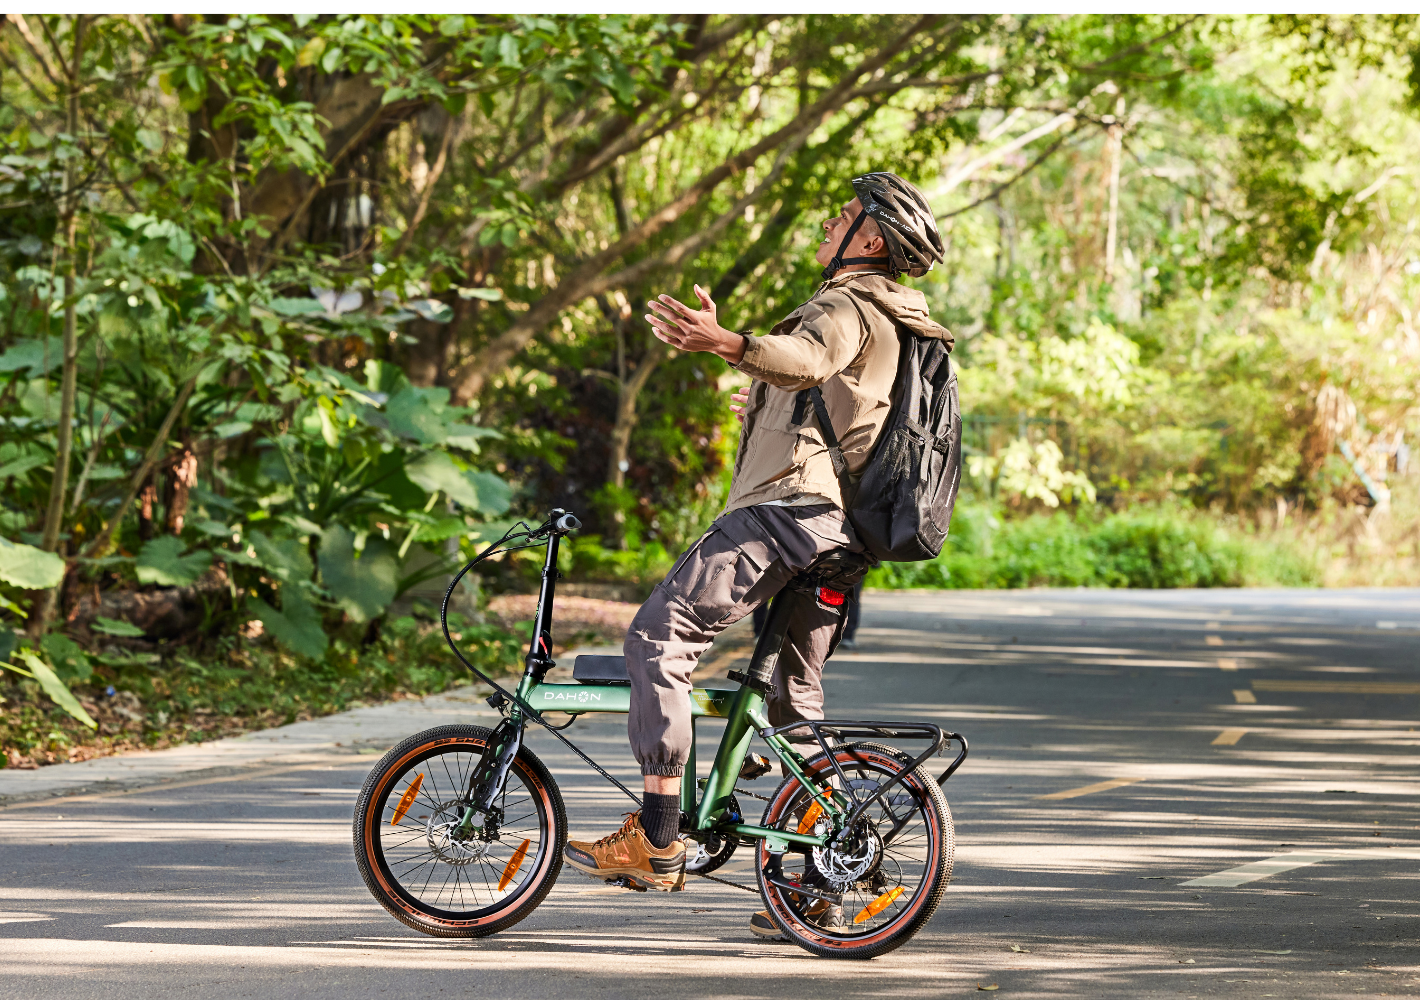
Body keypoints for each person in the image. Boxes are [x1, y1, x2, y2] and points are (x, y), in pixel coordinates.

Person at [561, 173, 951, 934]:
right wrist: (762, 392)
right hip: (839, 537)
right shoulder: (901, 321)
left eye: (843, 216)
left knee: (658, 637)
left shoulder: (845, 303)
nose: (827, 224)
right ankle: (813, 888)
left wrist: (728, 342)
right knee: (793, 701)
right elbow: (825, 392)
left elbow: (807, 358)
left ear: (869, 240)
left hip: (785, 513)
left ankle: (658, 836)